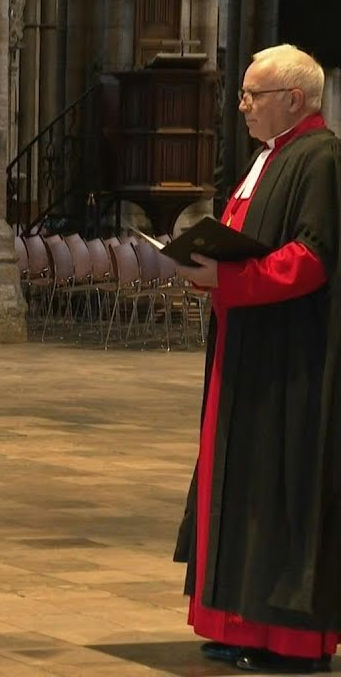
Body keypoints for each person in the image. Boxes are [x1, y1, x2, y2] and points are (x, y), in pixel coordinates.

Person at [173, 43, 340, 674]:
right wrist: (202, 268)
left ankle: (288, 640)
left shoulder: (320, 158)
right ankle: (238, 624)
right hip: (245, 348)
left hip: (291, 357)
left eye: (252, 94)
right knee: (239, 487)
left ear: (293, 100)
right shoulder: (266, 158)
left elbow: (312, 257)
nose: (241, 105)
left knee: (281, 489)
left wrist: (228, 282)